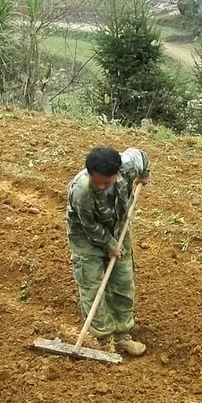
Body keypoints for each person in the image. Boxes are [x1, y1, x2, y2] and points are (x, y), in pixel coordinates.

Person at [66, 146, 150, 356]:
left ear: (117, 172)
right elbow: (91, 228)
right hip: (86, 236)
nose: (102, 186)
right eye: (98, 182)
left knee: (123, 280)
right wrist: (110, 245)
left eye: (107, 181)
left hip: (118, 227)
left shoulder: (128, 164)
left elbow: (142, 157)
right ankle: (104, 340)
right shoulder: (81, 191)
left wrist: (144, 175)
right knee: (92, 284)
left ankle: (123, 335)